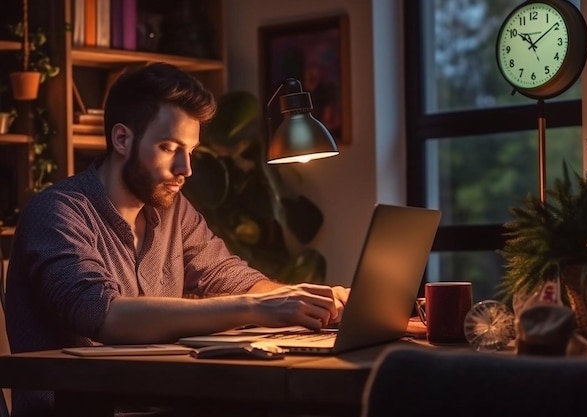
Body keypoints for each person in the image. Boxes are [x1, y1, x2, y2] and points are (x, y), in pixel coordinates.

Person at [5, 62, 349, 417]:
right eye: (169, 148)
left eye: (191, 150)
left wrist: (311, 300)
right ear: (122, 139)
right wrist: (256, 307)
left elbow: (229, 277)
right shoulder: (56, 212)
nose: (186, 168)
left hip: (158, 403)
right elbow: (105, 315)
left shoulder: (173, 209)